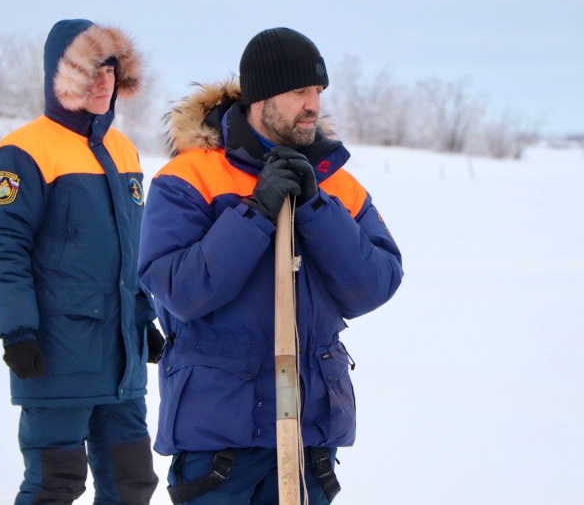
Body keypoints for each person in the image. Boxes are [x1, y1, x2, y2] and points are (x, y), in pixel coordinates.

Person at [138, 27, 403, 503]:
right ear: (260, 99)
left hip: (309, 440)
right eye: (299, 91)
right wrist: (256, 214)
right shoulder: (189, 178)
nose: (313, 105)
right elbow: (179, 291)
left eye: (318, 92)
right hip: (220, 449)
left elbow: (375, 285)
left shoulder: (335, 183)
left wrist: (317, 210)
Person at [0, 19, 164, 504]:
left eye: (111, 70)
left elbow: (131, 252)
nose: (103, 82)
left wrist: (144, 320)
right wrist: (18, 332)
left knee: (132, 483)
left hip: (120, 360)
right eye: (90, 71)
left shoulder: (122, 151)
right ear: (64, 77)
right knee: (55, 485)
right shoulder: (24, 152)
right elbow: (1, 247)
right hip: (57, 355)